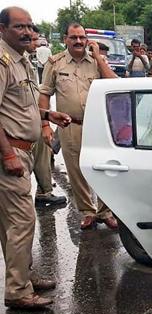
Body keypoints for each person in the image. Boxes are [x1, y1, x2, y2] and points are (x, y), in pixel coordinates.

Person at [0, 6, 72, 309]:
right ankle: (18, 291)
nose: (28, 32)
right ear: (2, 29)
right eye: (20, 27)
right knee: (22, 221)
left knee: (12, 224)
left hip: (24, 151)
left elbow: (21, 106)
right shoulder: (2, 62)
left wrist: (48, 113)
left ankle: (23, 278)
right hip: (11, 152)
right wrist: (7, 155)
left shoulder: (22, 61)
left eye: (30, 26)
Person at [39, 22, 119, 230]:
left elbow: (114, 84)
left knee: (105, 169)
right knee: (75, 171)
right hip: (69, 125)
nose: (78, 41)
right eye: (73, 37)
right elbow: (45, 94)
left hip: (99, 125)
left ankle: (105, 211)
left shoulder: (96, 61)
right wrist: (45, 125)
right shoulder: (55, 63)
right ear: (65, 39)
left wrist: (99, 58)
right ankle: (87, 212)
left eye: (82, 37)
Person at [26, 26, 66, 207]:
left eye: (36, 40)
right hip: (19, 129)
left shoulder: (25, 61)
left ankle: (44, 191)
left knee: (43, 154)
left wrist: (46, 117)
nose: (35, 45)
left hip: (35, 120)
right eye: (32, 40)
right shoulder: (7, 62)